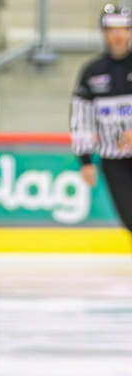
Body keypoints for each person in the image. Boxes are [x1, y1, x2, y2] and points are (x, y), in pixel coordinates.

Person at [71, 4, 132, 235]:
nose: (118, 35)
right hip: (113, 160)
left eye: (123, 28)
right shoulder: (92, 71)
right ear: (104, 33)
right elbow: (81, 117)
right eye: (112, 29)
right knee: (129, 218)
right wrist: (85, 160)